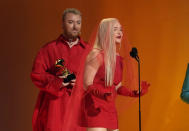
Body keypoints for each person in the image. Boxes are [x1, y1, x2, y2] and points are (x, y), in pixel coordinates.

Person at [77, 18, 150, 131]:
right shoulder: (96, 55)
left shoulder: (118, 58)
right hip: (95, 106)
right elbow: (86, 83)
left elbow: (117, 86)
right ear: (105, 33)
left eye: (120, 29)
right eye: (115, 29)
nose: (120, 32)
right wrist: (101, 94)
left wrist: (134, 93)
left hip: (110, 107)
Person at [31, 8, 88, 131]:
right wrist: (58, 82)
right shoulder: (49, 49)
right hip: (55, 107)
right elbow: (36, 74)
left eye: (78, 22)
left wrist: (81, 83)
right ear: (62, 24)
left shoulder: (89, 50)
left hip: (78, 106)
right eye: (70, 22)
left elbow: (99, 78)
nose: (75, 26)